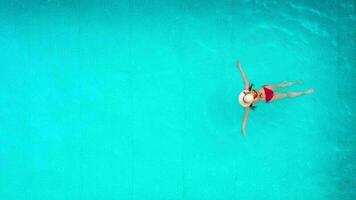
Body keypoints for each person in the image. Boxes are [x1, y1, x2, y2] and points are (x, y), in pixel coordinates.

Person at [236, 61, 314, 136]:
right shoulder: (247, 89)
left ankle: (303, 93)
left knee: (286, 95)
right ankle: (295, 83)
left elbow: (245, 117)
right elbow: (245, 78)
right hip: (265, 89)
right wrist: (240, 67)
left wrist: (243, 128)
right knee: (281, 85)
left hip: (268, 97)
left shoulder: (249, 105)